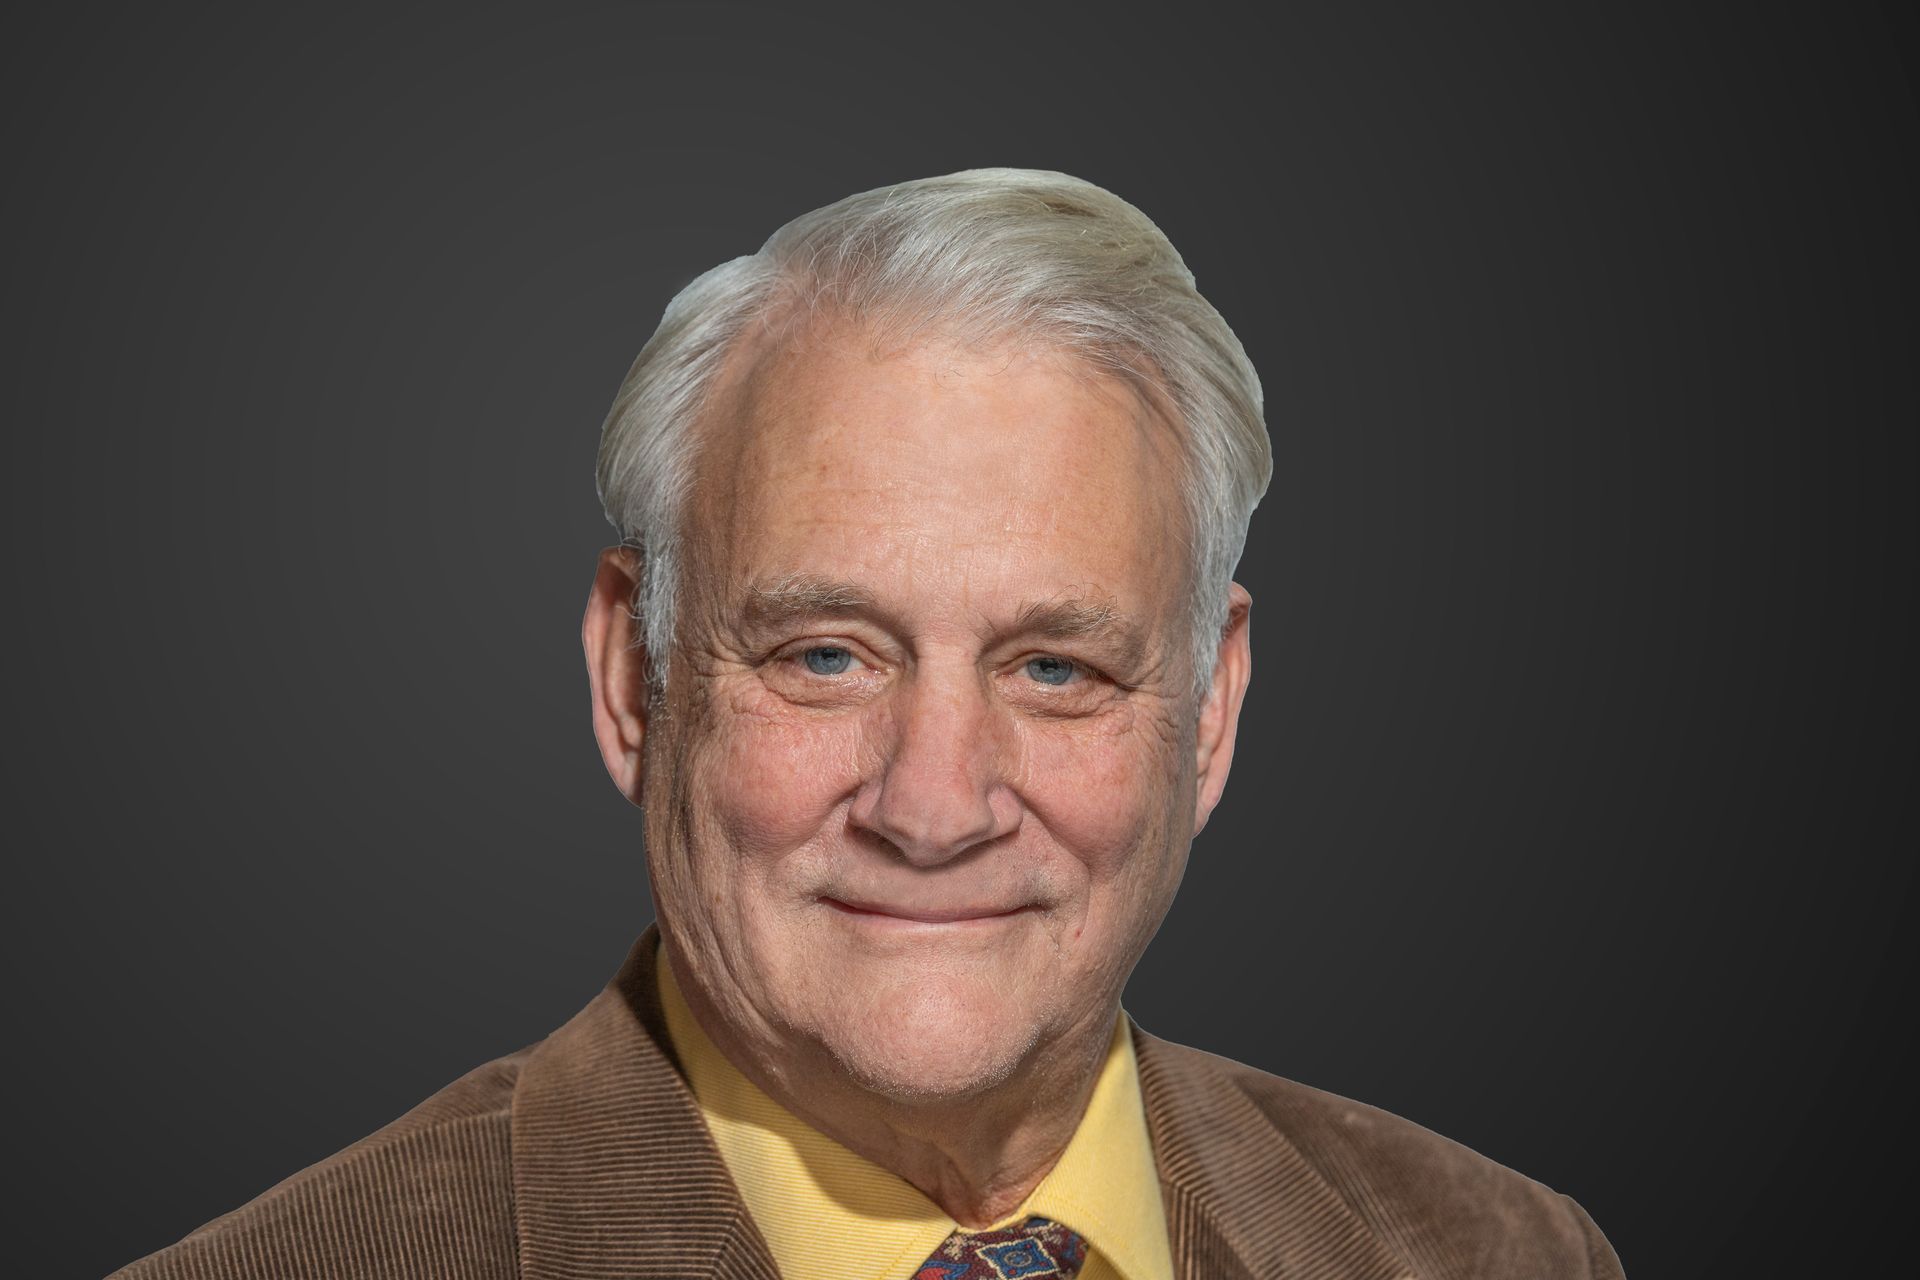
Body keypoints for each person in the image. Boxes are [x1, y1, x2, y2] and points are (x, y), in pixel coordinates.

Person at [115, 169, 1622, 1279]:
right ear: (636, 679)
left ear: (1211, 712)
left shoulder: (1506, 1253)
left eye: (1055, 670)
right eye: (826, 655)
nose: (934, 803)